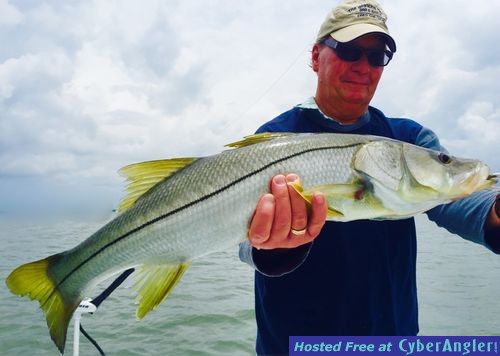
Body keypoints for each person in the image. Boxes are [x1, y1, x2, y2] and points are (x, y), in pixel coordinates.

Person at [238, 0, 500, 354]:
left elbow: (454, 198)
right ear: (316, 57)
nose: (363, 66)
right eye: (349, 50)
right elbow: (242, 236)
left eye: (377, 57)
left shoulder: (408, 138)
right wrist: (270, 250)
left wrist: (496, 213)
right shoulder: (274, 139)